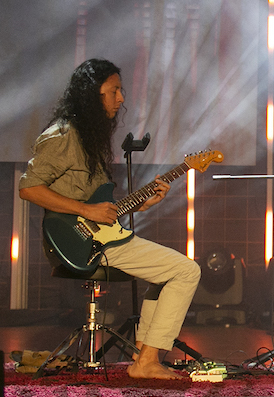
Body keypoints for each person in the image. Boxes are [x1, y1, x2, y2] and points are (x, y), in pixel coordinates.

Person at [19, 59, 201, 380]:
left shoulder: (88, 138)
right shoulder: (62, 135)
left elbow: (100, 205)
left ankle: (144, 356)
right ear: (92, 94)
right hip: (80, 241)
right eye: (114, 90)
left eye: (120, 91)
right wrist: (86, 211)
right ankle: (146, 362)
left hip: (104, 235)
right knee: (187, 270)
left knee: (169, 273)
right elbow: (29, 188)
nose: (121, 99)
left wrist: (140, 206)